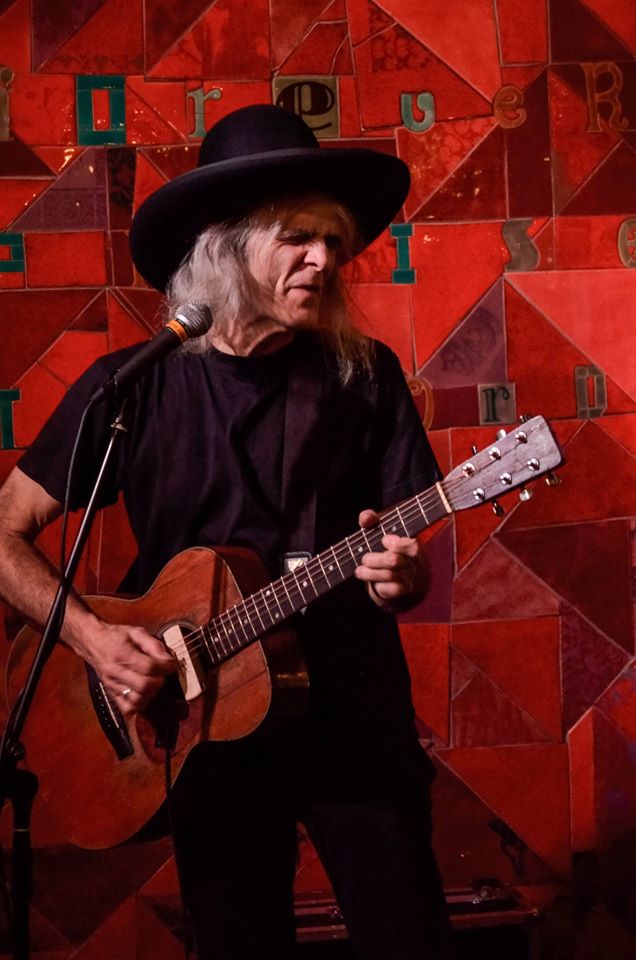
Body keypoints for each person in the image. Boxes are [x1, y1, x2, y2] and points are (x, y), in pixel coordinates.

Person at [0, 104, 452, 959]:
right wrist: (96, 641)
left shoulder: (365, 378)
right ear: (226, 248)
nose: (326, 259)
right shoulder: (133, 388)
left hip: (352, 718)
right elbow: (2, 531)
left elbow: (408, 556)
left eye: (333, 240)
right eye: (297, 238)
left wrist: (404, 578)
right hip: (203, 729)